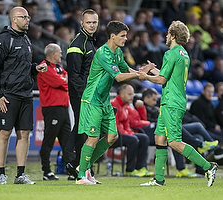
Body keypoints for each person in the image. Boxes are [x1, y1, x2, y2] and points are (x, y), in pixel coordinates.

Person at [138, 20, 218, 187]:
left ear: (173, 35)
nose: (166, 36)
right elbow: (168, 76)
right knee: (159, 137)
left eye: (168, 33)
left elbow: (161, 80)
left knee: (174, 142)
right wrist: (153, 70)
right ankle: (158, 179)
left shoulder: (170, 53)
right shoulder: (183, 54)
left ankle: (208, 167)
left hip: (171, 102)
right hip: (175, 100)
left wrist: (145, 77)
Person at [75, 21, 155, 185]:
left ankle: (84, 166)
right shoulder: (103, 53)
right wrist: (139, 76)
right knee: (93, 137)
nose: (126, 38)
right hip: (92, 100)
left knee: (112, 136)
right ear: (112, 36)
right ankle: (81, 176)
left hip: (103, 100)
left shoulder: (117, 52)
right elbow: (118, 77)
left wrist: (141, 73)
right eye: (123, 35)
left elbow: (126, 70)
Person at [0, 6, 47, 185]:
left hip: (26, 95)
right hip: (7, 95)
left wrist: (35, 69)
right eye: (24, 17)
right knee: (4, 133)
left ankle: (20, 175)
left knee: (25, 134)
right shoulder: (3, 40)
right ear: (14, 19)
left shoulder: (26, 40)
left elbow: (22, 68)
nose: (28, 20)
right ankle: (0, 174)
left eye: (28, 17)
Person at [64, 9, 99, 181]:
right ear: (82, 23)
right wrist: (85, 96)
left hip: (88, 93)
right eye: (89, 22)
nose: (92, 25)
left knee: (83, 129)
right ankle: (80, 168)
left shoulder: (90, 42)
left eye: (94, 22)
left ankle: (77, 166)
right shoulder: (78, 44)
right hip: (81, 95)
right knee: (85, 130)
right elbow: (74, 76)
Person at [36, 43, 71, 181]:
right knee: (49, 139)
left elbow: (67, 79)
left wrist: (64, 79)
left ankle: (71, 170)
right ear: (52, 54)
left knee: (67, 141)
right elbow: (62, 83)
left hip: (63, 107)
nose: (61, 55)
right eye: (59, 53)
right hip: (52, 108)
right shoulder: (44, 67)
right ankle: (46, 171)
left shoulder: (58, 67)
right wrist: (64, 80)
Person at [111, 84, 154, 177]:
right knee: (133, 140)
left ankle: (140, 168)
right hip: (112, 136)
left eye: (132, 94)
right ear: (122, 95)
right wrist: (129, 134)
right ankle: (130, 170)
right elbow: (115, 125)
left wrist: (130, 133)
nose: (132, 97)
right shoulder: (114, 104)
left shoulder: (125, 106)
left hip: (122, 134)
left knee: (144, 138)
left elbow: (127, 124)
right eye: (130, 94)